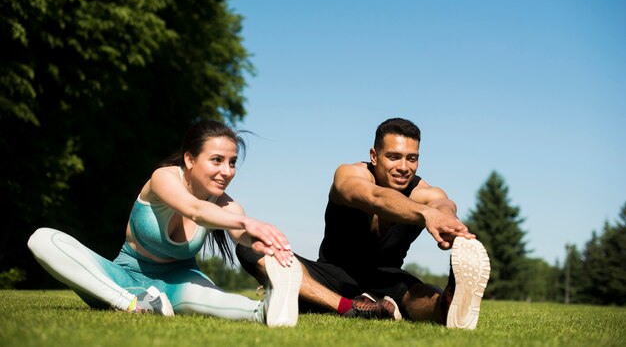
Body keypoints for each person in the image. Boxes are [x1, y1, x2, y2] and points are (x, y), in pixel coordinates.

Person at [28, 120, 302, 327]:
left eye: (232, 162)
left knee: (210, 299)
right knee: (42, 239)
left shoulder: (226, 204)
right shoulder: (163, 178)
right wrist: (246, 221)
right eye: (217, 160)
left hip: (177, 282)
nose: (227, 171)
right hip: (122, 278)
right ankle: (131, 303)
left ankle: (266, 310)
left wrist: (266, 244)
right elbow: (194, 209)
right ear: (189, 159)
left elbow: (239, 231)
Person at [236, 118, 491, 329]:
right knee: (253, 246)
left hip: (386, 281)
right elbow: (375, 197)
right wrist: (426, 214)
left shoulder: (424, 194)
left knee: (420, 293)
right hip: (331, 276)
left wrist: (448, 220)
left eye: (411, 158)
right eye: (394, 156)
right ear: (374, 156)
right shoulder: (350, 174)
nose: (404, 167)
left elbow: (443, 203)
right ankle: (349, 306)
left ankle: (447, 304)